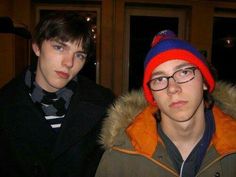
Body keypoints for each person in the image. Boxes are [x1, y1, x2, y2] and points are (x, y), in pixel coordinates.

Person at [95, 30, 236, 177]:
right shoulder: (121, 157)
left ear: (205, 82)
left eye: (184, 72)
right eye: (160, 79)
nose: (173, 88)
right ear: (153, 95)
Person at [0, 12, 115, 177]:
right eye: (59, 47)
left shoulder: (105, 106)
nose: (69, 63)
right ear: (37, 47)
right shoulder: (5, 105)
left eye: (79, 55)